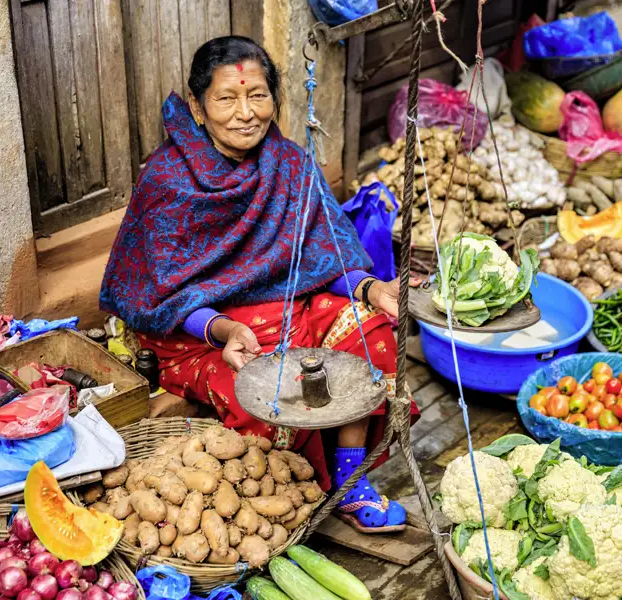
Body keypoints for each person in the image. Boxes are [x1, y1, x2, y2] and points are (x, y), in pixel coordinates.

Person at [100, 36, 418, 532]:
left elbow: (326, 250)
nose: (246, 113)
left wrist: (370, 289)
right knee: (262, 394)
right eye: (227, 98)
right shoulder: (168, 179)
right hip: (202, 336)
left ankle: (350, 478)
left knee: (371, 333)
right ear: (198, 108)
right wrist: (223, 329)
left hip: (291, 307)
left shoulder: (290, 164)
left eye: (258, 96)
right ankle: (298, 490)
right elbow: (161, 291)